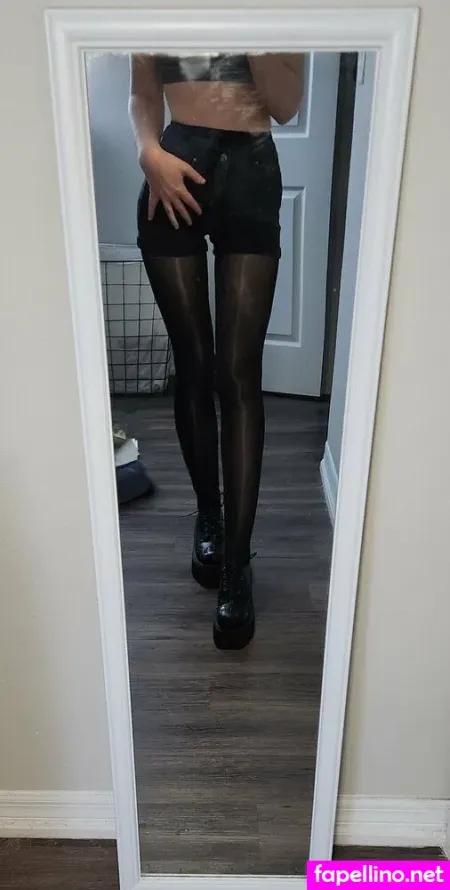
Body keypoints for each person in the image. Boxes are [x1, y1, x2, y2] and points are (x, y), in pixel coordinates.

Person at [129, 51, 304, 650]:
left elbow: (285, 106)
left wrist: (256, 32)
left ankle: (236, 561)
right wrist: (148, 152)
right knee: (195, 365)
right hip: (172, 163)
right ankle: (209, 514)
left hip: (252, 168)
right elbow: (143, 93)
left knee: (238, 373)